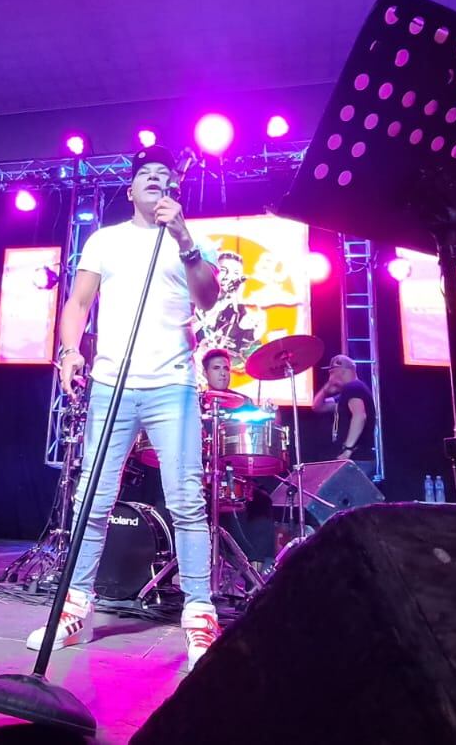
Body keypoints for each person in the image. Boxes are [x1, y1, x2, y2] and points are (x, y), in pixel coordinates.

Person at [36, 144, 222, 671]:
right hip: (110, 382)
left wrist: (185, 237)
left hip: (173, 385)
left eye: (165, 176)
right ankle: (76, 606)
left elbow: (206, 299)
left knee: (185, 498)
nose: (157, 182)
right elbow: (78, 303)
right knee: (92, 497)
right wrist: (71, 351)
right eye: (147, 175)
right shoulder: (105, 240)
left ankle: (199, 613)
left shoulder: (190, 237)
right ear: (131, 188)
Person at [203, 347, 276, 572]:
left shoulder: (242, 402)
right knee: (228, 501)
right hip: (206, 475)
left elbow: (260, 431)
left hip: (240, 474)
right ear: (205, 373)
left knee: (262, 499)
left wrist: (270, 414)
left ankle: (262, 566)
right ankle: (248, 565)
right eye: (216, 368)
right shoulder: (197, 401)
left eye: (226, 368)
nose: (223, 373)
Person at [313, 355, 377, 479]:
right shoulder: (348, 392)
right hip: (358, 459)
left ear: (342, 371)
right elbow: (317, 407)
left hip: (357, 459)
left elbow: (360, 416)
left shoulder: (353, 388)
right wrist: (326, 389)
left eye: (332, 372)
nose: (330, 377)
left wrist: (348, 449)